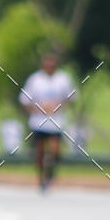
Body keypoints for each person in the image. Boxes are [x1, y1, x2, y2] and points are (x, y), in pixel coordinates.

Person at [19, 52, 74, 189]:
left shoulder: (63, 79)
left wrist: (57, 106)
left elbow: (71, 97)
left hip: (57, 122)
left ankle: (51, 172)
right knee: (39, 152)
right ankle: (41, 178)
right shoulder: (35, 79)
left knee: (55, 151)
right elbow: (25, 100)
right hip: (38, 122)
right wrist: (38, 109)